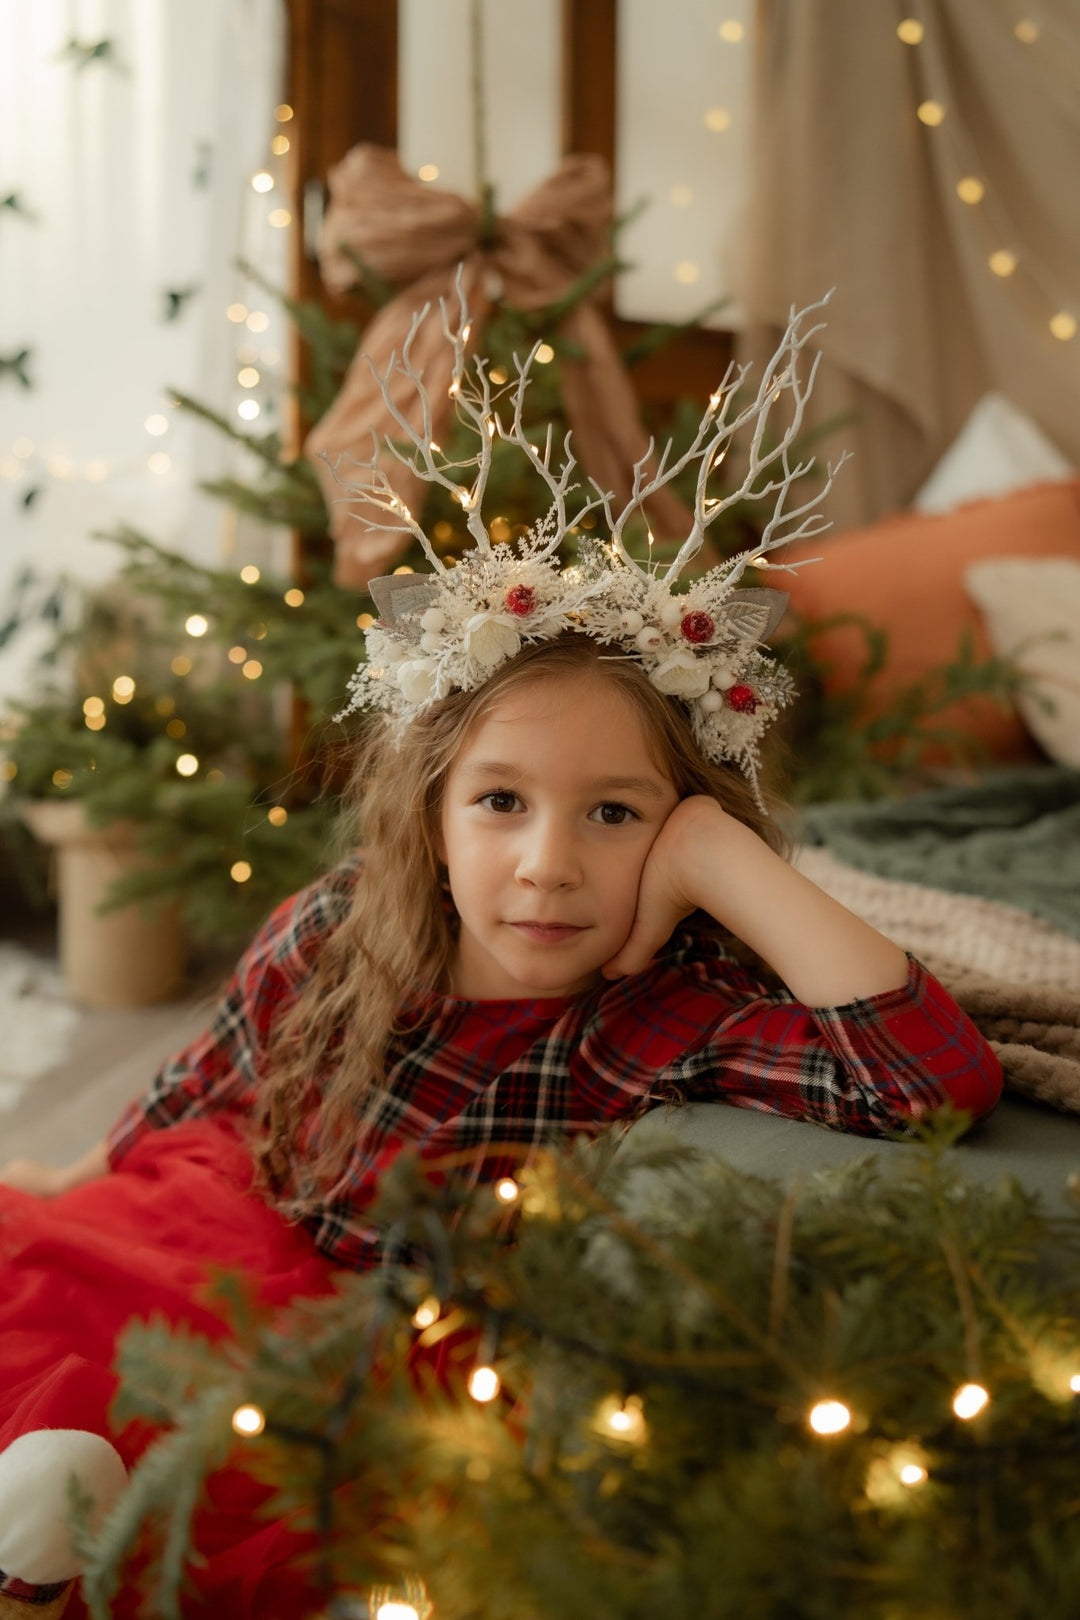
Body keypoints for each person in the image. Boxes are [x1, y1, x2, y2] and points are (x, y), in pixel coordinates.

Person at [0, 296, 1003, 1619]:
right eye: (501, 803)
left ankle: (56, 1550)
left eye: (616, 813)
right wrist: (82, 1172)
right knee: (46, 1288)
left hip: (367, 1324)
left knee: (237, 1478)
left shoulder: (671, 1009)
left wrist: (724, 863)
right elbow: (206, 1078)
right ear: (431, 811)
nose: (547, 865)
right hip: (213, 1213)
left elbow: (933, 1084)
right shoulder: (345, 922)